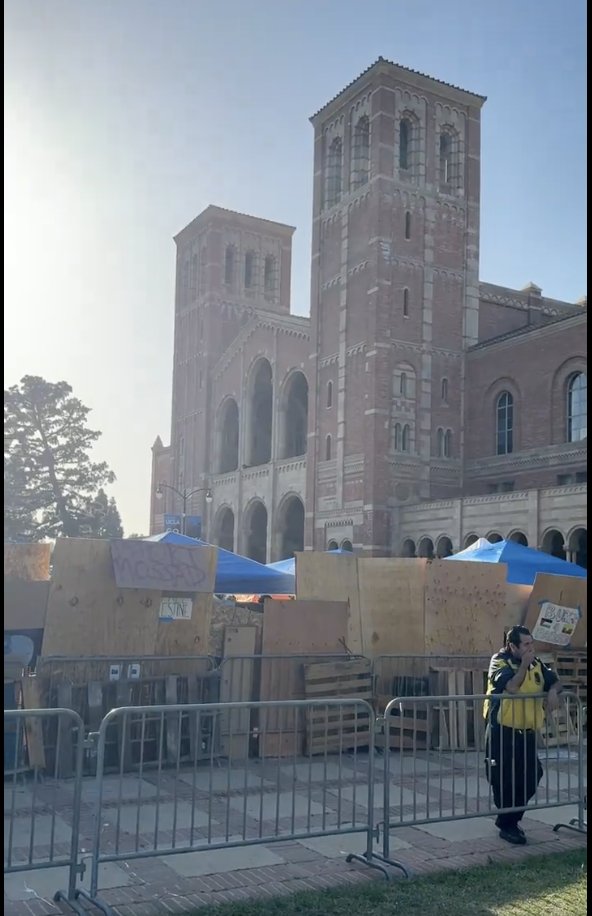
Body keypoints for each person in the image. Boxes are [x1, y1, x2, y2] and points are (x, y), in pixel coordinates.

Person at [484, 625, 561, 845]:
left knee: (531, 777)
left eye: (531, 643)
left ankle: (509, 819)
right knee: (504, 781)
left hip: (527, 732)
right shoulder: (499, 661)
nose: (531, 648)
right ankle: (508, 825)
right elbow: (512, 686)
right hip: (503, 731)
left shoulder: (536, 663)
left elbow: (553, 679)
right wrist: (524, 666)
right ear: (512, 646)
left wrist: (554, 690)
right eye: (526, 644)